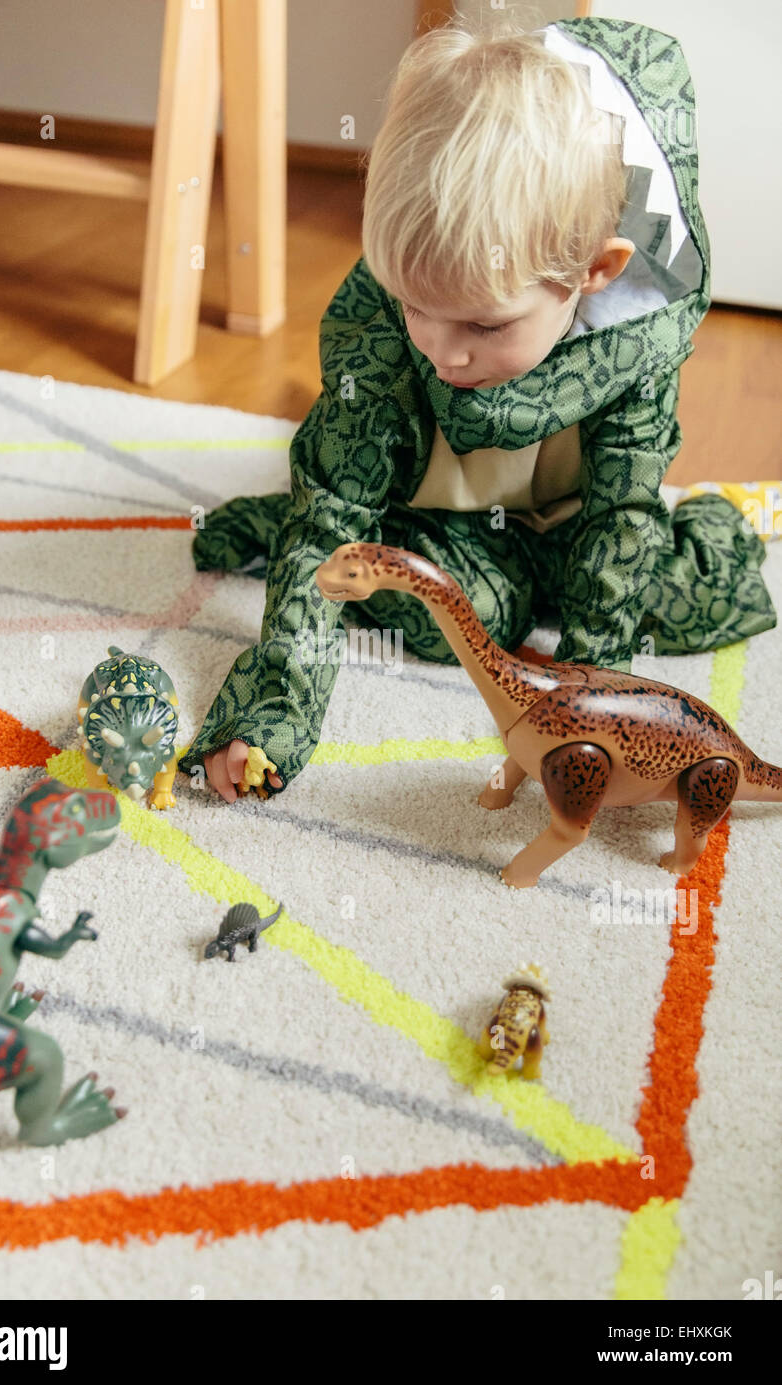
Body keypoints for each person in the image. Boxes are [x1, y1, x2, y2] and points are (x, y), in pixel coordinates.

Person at [179, 13, 777, 802]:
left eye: (484, 326)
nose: (442, 349)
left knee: (700, 599)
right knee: (448, 617)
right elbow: (334, 517)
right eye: (415, 306)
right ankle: (284, 521)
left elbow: (623, 518)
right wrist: (273, 715)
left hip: (568, 524)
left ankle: (665, 548)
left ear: (594, 271)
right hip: (449, 525)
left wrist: (598, 711)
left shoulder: (639, 338)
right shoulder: (387, 330)